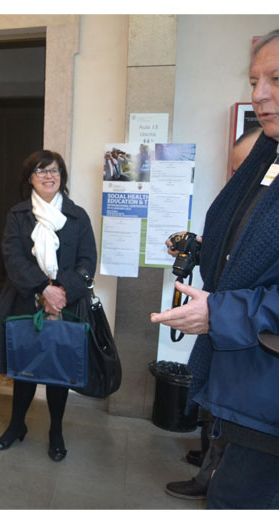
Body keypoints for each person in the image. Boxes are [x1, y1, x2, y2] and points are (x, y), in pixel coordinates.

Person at [151, 29, 279, 509]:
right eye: (253, 81)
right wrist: (207, 250)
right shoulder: (267, 160)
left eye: (276, 79)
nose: (259, 94)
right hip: (249, 386)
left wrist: (219, 313)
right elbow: (255, 256)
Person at [163, 124, 262, 501]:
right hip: (226, 328)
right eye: (235, 169)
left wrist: (220, 311)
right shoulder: (244, 202)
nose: (239, 177)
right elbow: (236, 257)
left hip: (250, 337)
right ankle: (209, 465)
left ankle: (211, 476)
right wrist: (200, 248)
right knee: (214, 406)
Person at [0, 149, 97, 461]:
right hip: (25, 300)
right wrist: (43, 289)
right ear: (30, 178)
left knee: (59, 369)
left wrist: (60, 293)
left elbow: (87, 261)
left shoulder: (77, 216)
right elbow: (12, 258)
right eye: (41, 171)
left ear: (62, 176)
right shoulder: (18, 215)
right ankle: (16, 425)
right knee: (24, 368)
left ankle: (56, 431)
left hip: (66, 305)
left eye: (54, 170)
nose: (49, 176)